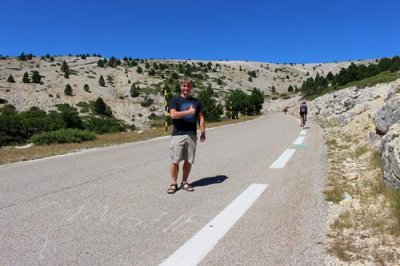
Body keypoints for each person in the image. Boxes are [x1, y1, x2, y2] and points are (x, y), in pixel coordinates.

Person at [167, 77, 206, 194]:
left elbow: (201, 117)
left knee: (189, 160)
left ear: (191, 87)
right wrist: (187, 112)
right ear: (180, 87)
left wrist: (203, 131)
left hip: (192, 134)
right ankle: (173, 183)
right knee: (175, 160)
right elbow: (173, 115)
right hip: (178, 134)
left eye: (188, 86)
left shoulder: (196, 102)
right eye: (184, 86)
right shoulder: (175, 100)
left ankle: (184, 182)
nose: (186, 88)